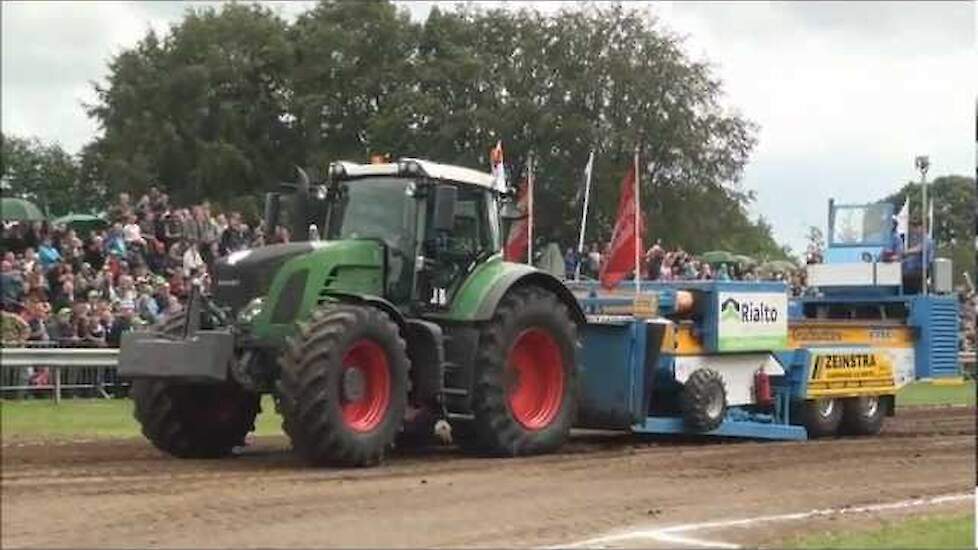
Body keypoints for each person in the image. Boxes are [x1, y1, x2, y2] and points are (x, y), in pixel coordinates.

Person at [901, 219, 934, 293]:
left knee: (901, 277)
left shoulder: (927, 240)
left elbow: (918, 250)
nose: (914, 229)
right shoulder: (917, 241)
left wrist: (903, 252)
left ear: (923, 228)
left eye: (916, 227)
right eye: (913, 227)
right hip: (914, 270)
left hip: (922, 270)